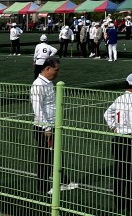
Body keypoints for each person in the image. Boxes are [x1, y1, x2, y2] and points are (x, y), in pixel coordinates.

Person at [30, 56, 78, 194]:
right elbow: (37, 108)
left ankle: (64, 181)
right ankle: (43, 187)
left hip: (52, 126)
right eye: (55, 70)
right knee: (46, 158)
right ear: (47, 68)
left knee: (56, 155)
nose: (57, 73)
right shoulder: (38, 85)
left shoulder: (48, 83)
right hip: (44, 128)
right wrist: (47, 127)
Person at [104, 73, 132, 215]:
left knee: (120, 172)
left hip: (118, 139)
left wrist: (114, 127)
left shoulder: (120, 98)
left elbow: (107, 114)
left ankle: (120, 203)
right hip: (129, 140)